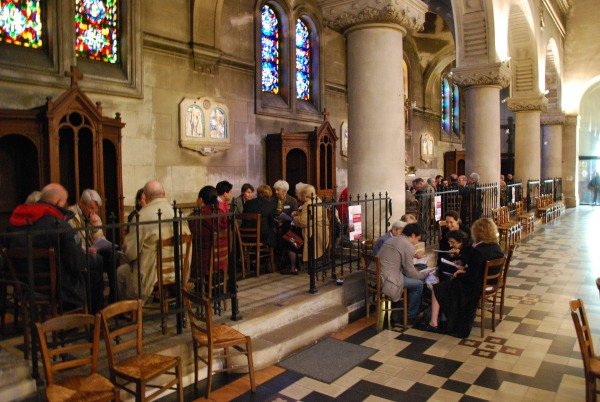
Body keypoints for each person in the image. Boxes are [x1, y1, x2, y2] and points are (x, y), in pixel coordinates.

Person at [7, 183, 103, 313]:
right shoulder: (58, 225)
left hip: (24, 283)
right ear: (59, 202)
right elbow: (77, 263)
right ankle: (94, 323)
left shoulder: (15, 222)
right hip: (56, 287)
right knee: (94, 271)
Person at [425, 218, 504, 337]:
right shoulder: (496, 247)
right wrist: (464, 269)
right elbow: (478, 269)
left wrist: (460, 273)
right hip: (491, 283)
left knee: (438, 288)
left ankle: (433, 322)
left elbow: (471, 277)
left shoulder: (478, 250)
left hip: (475, 287)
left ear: (477, 232)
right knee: (450, 284)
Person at [117, 180, 190, 303]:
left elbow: (130, 253)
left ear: (145, 196)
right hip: (178, 270)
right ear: (164, 194)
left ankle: (131, 310)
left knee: (120, 271)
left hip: (153, 274)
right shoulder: (178, 213)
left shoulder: (141, 216)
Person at [376, 223, 428, 324]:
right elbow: (409, 272)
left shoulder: (393, 239)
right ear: (413, 235)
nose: (417, 242)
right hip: (388, 278)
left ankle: (402, 313)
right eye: (418, 239)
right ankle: (411, 316)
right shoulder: (407, 245)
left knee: (417, 276)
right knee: (419, 285)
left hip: (377, 275)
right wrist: (423, 275)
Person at [188, 185, 228, 286]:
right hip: (221, 260)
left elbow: (192, 239)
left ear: (200, 199)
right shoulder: (222, 214)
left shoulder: (197, 217)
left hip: (204, 263)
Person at [292, 184, 330, 272]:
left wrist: (294, 218)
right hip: (318, 231)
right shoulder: (317, 200)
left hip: (315, 233)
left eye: (300, 195)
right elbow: (308, 218)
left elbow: (303, 222)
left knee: (289, 239)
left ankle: (293, 266)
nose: (298, 197)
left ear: (305, 195)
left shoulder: (309, 204)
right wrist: (299, 214)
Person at [437, 210, 470, 277]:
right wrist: (448, 251)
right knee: (441, 261)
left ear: (457, 221)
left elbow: (468, 247)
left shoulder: (466, 230)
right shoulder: (445, 231)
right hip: (449, 255)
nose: (449, 225)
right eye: (447, 222)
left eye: (451, 222)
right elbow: (443, 245)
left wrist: (459, 251)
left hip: (462, 255)